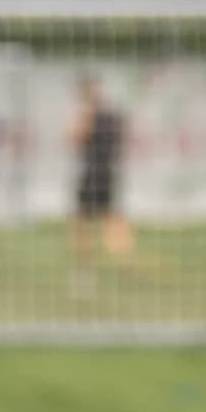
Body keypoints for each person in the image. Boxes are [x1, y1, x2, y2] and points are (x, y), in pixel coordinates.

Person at [69, 73, 130, 269]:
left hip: (102, 172)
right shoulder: (93, 113)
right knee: (84, 219)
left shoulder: (105, 115)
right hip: (92, 171)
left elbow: (78, 137)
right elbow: (75, 139)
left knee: (107, 217)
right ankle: (86, 265)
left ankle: (122, 259)